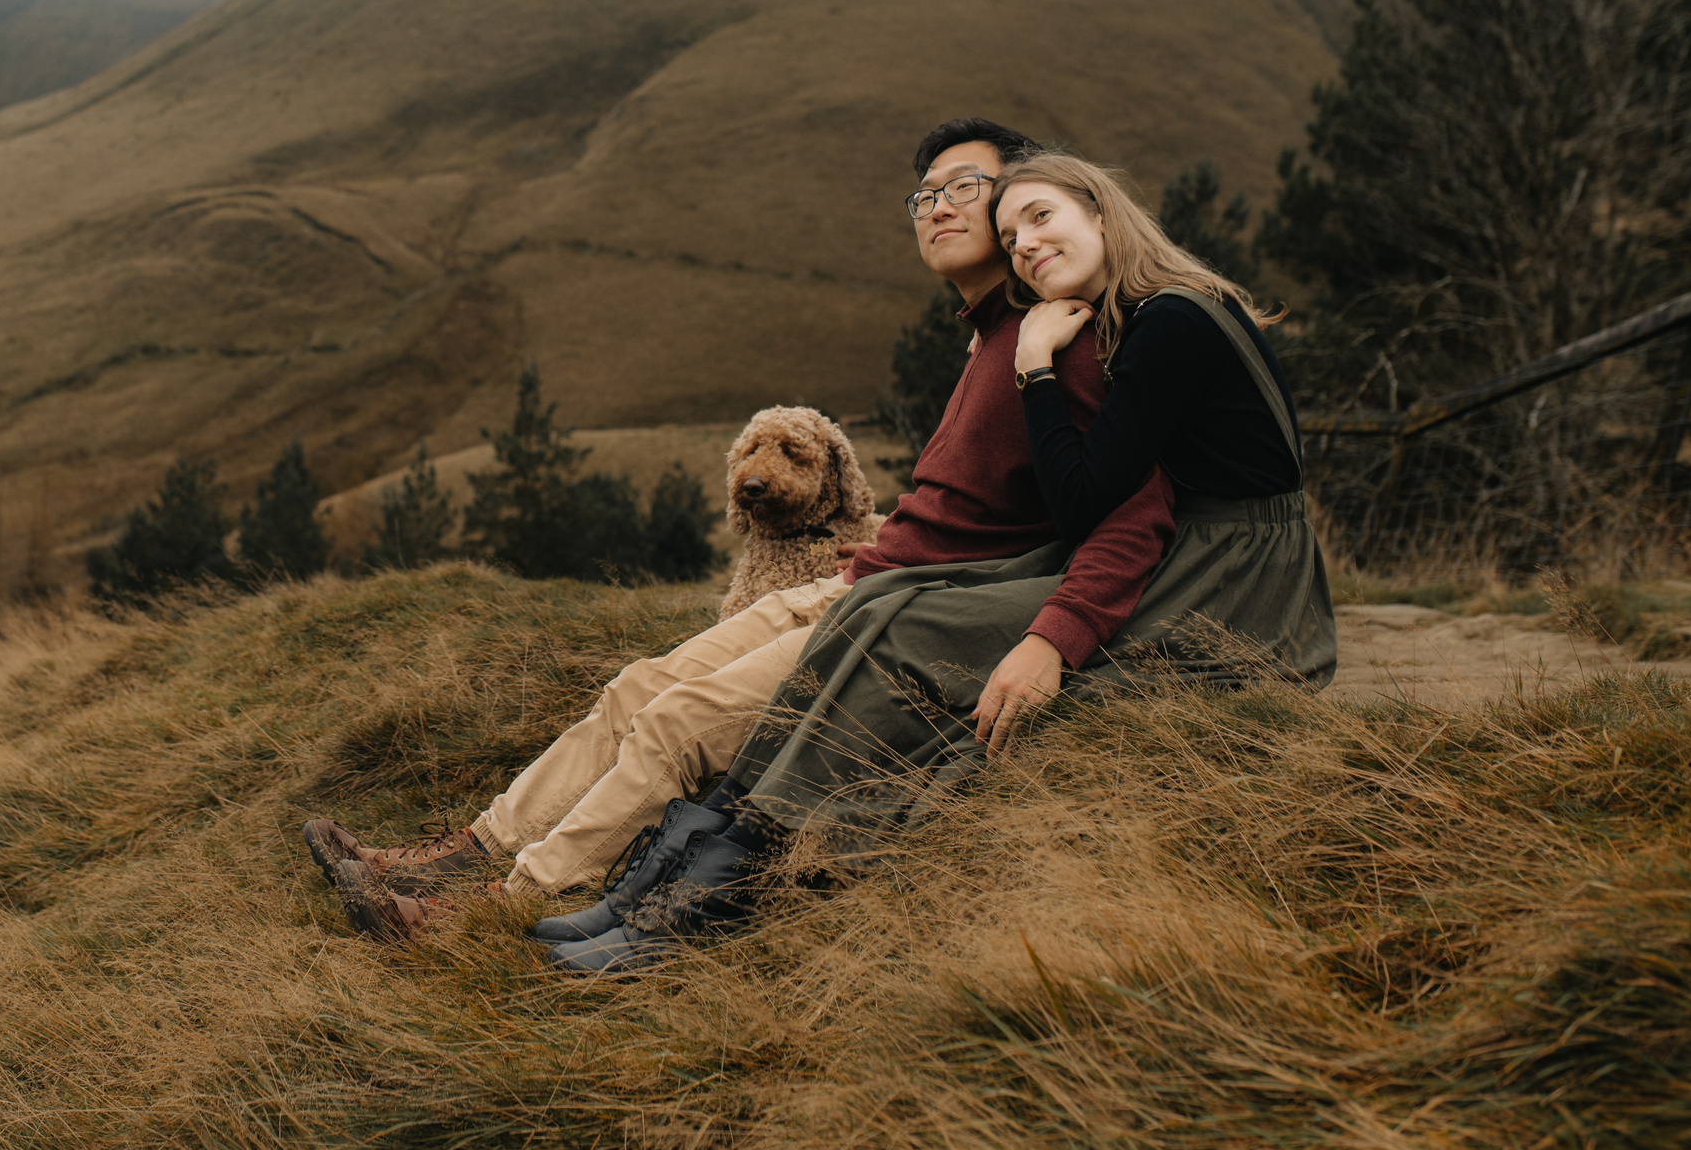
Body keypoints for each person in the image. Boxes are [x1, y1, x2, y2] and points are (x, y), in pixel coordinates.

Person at [305, 119, 1178, 942]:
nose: (939, 205)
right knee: (635, 688)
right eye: (924, 195)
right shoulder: (993, 334)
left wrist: (1054, 640)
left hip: (900, 614)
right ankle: (462, 852)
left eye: (965, 186)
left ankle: (494, 904)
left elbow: (1134, 515)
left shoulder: (1061, 340)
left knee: (681, 722)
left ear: (1017, 198)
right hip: (854, 581)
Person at [542, 153, 1335, 976]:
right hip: (1198, 549)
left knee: (910, 629)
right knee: (873, 610)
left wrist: (1032, 364)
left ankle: (709, 897)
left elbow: (1092, 501)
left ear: (1101, 212)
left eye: (1041, 217)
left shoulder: (1162, 321)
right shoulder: (1141, 313)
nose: (1024, 244)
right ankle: (689, 867)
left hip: (1233, 577)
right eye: (1011, 233)